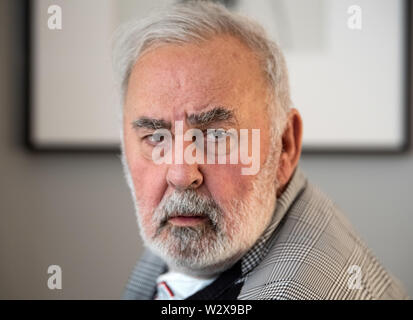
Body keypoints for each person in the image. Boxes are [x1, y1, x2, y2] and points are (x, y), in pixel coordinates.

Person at [112, 1, 408, 300]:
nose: (180, 174)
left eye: (215, 136)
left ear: (285, 145)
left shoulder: (294, 291)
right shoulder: (206, 231)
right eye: (156, 137)